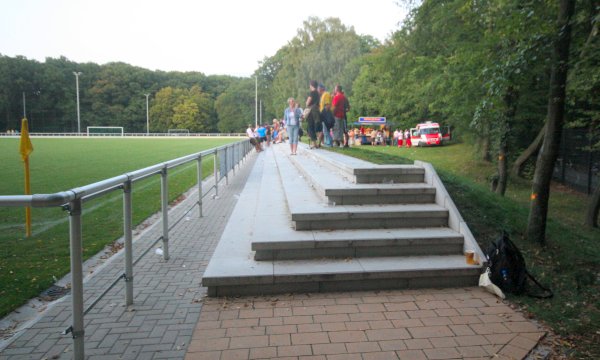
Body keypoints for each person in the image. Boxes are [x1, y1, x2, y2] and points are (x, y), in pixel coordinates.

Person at [305, 80, 321, 148]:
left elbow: (307, 103)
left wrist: (306, 103)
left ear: (311, 85)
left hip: (311, 111)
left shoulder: (312, 93)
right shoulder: (317, 93)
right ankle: (316, 143)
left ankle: (314, 143)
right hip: (316, 110)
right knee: (315, 126)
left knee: (310, 126)